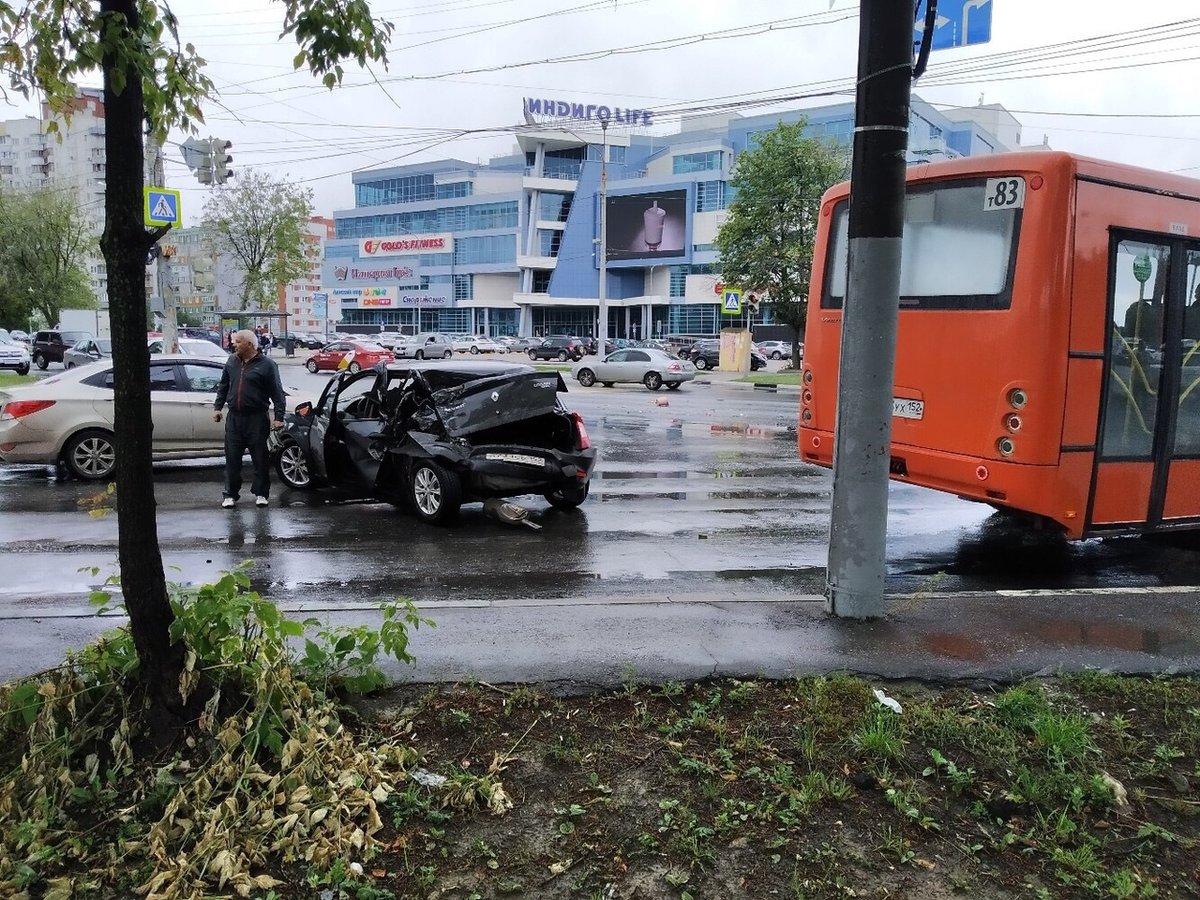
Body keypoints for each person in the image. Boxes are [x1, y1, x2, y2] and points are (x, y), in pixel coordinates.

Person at [213, 329, 287, 508]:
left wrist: (279, 417)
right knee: (232, 459)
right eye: (234, 341)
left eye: (238, 342)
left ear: (249, 345)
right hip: (235, 418)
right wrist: (217, 407)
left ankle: (261, 493)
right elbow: (223, 386)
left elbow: (277, 392)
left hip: (257, 418)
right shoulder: (231, 362)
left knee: (260, 459)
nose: (234, 344)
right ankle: (230, 494)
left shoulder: (267, 365)